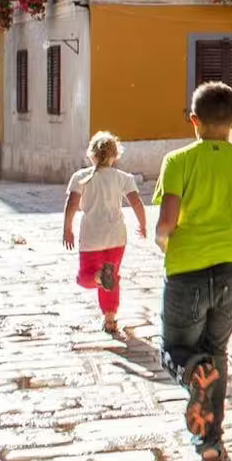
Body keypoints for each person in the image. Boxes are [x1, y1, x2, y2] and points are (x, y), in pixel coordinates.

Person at [154, 81, 232, 461]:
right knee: (217, 351)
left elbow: (167, 222)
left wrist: (163, 243)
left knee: (176, 351)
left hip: (187, 269)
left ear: (194, 120)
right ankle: (211, 445)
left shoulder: (177, 162)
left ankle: (193, 374)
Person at [62, 132, 148, 337]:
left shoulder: (80, 177)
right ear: (115, 156)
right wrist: (143, 224)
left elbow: (72, 204)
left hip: (91, 237)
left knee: (85, 277)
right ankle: (110, 320)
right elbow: (136, 202)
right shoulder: (123, 178)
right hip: (116, 237)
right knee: (113, 277)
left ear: (92, 155)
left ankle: (99, 278)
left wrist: (67, 229)